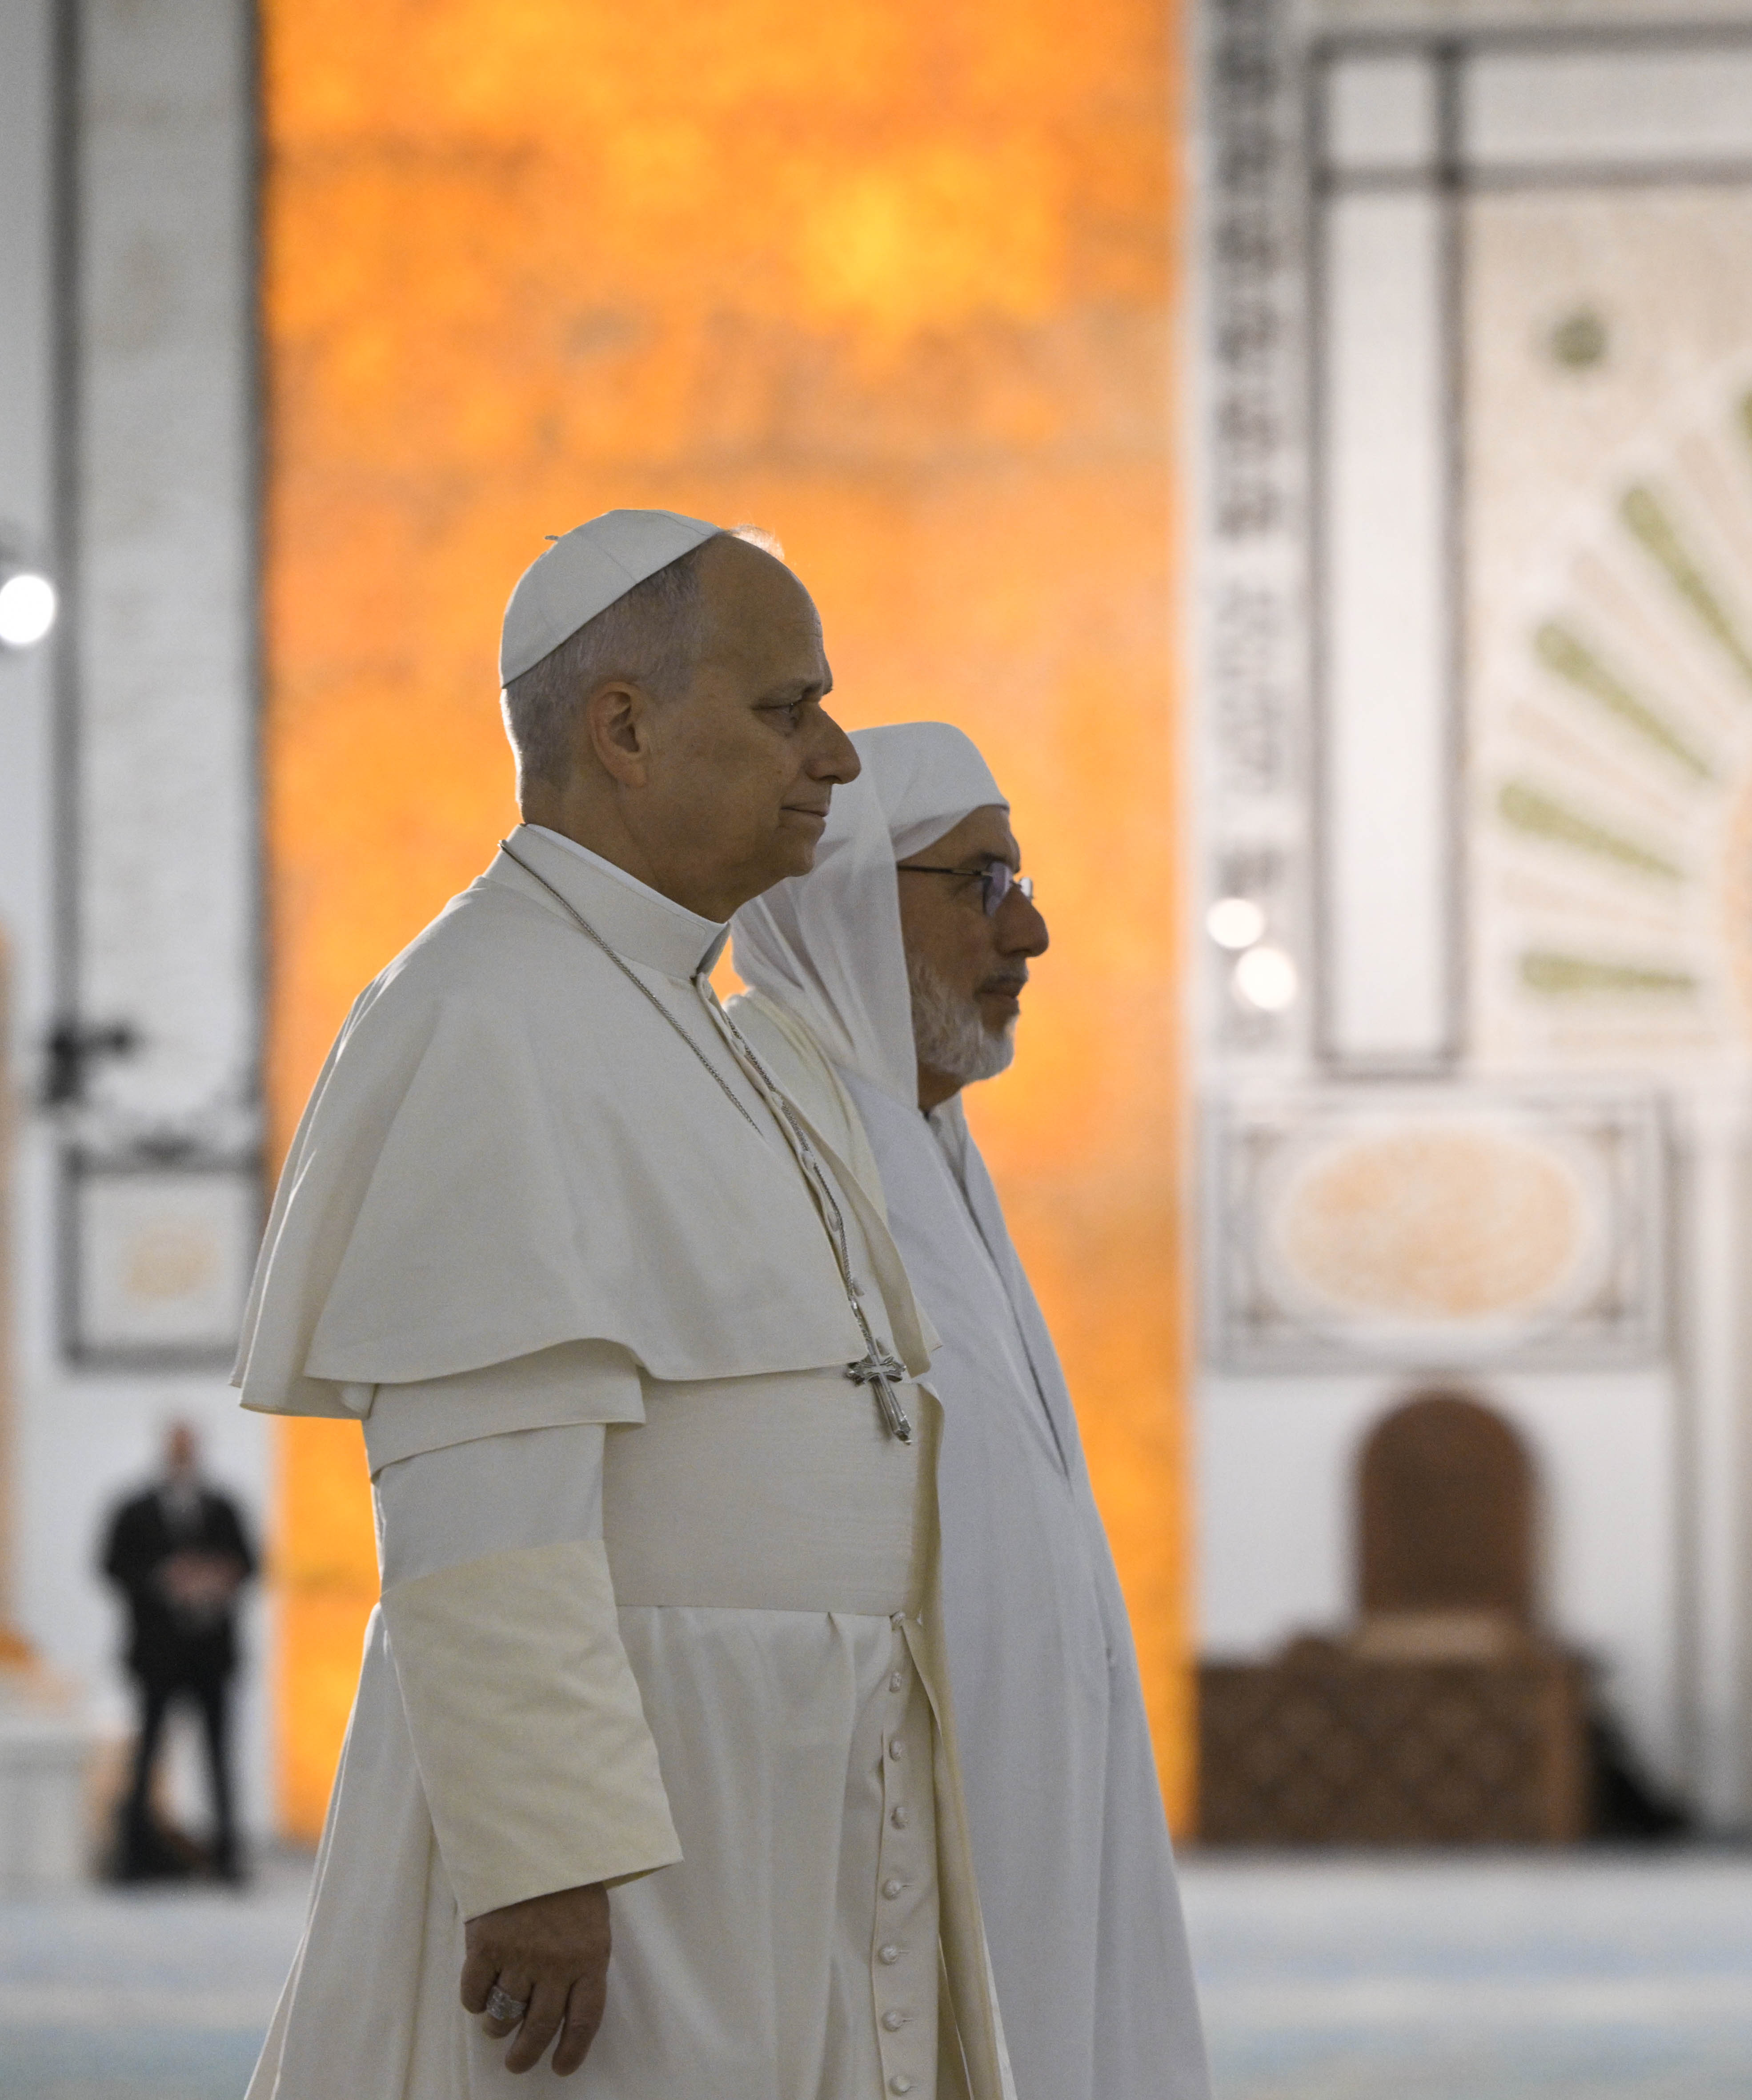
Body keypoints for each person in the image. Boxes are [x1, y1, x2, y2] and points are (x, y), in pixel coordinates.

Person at [235, 512, 1012, 2097]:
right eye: (788, 709)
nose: (839, 757)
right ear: (626, 727)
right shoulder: (487, 1014)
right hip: (644, 1788)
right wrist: (542, 1850)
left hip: (777, 1760)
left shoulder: (692, 1008)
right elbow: (482, 1485)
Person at [728, 724, 1212, 2100]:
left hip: (1016, 1789)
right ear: (843, 901)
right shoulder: (757, 1141)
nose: (1033, 929)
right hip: (850, 1830)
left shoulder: (929, 1150)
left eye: (1021, 877)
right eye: (981, 881)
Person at [100, 1419, 260, 1882]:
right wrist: (163, 1578)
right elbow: (112, 1564)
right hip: (156, 1656)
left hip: (211, 1656)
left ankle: (228, 1858)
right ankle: (132, 1859)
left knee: (220, 1756)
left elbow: (249, 1564)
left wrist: (214, 1577)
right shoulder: (135, 1509)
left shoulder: (223, 1507)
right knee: (147, 1753)